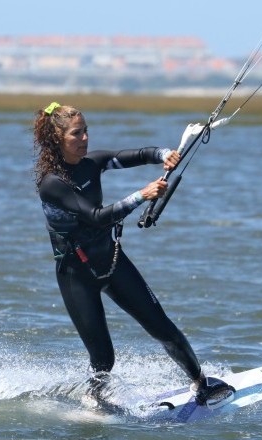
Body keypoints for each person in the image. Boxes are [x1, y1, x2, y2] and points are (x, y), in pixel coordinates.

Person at [33, 101, 232, 405]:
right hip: (76, 274)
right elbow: (97, 216)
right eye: (76, 134)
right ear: (56, 139)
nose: (85, 138)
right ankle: (96, 403)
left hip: (110, 261)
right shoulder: (53, 184)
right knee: (103, 359)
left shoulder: (92, 163)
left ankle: (200, 384)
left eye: (86, 130)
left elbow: (135, 155)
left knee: (163, 327)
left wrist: (164, 154)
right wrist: (143, 194)